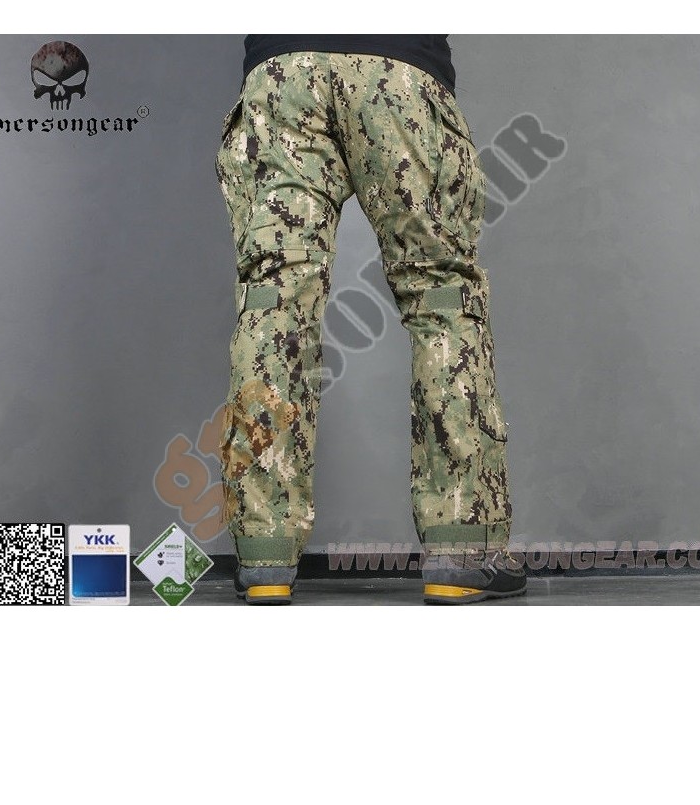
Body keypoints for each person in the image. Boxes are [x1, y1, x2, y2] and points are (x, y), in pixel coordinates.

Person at [214, 35, 526, 604]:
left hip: (283, 70)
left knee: (275, 300)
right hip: (397, 61)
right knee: (439, 295)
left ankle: (264, 554)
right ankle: (462, 550)